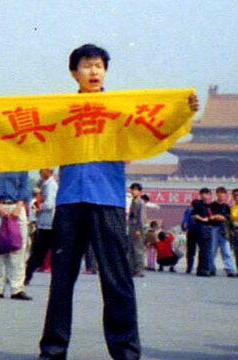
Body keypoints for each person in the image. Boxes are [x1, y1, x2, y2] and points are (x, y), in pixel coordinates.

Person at [28, 43, 198, 360]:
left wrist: (183, 110)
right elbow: (27, 128)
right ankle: (52, 350)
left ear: (105, 71)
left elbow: (154, 128)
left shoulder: (120, 110)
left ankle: (126, 352)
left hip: (107, 202)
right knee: (61, 282)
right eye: (86, 65)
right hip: (69, 202)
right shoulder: (61, 111)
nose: (93, 71)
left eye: (99, 65)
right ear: (73, 73)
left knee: (117, 280)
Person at [0, 160, 32, 300]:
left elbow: (24, 187)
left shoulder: (20, 162)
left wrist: (18, 207)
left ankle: (17, 288)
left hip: (17, 207)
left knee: (18, 248)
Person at [25, 168, 58, 285]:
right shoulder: (46, 184)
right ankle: (27, 274)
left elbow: (50, 204)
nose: (40, 173)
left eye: (42, 171)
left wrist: (39, 207)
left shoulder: (50, 185)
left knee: (39, 251)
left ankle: (26, 275)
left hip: (48, 223)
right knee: (40, 252)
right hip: (46, 223)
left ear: (48, 171)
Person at [209, 187, 237, 277]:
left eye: (223, 193)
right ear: (216, 194)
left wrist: (224, 217)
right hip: (214, 229)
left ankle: (230, 270)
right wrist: (215, 217)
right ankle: (211, 269)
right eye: (219, 193)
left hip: (224, 230)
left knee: (226, 251)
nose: (221, 195)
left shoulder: (227, 207)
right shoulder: (211, 205)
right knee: (212, 250)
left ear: (225, 195)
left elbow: (230, 218)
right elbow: (208, 216)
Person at [191, 188, 214, 277]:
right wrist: (203, 219)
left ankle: (203, 269)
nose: (206, 196)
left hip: (208, 228)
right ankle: (203, 270)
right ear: (201, 195)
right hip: (201, 228)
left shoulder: (208, 206)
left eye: (207, 194)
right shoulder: (198, 204)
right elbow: (194, 215)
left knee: (205, 250)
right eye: (204, 194)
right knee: (204, 249)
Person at [127, 183, 146, 277]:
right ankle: (132, 269)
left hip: (137, 228)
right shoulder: (133, 201)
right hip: (131, 227)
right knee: (131, 249)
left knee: (138, 249)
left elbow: (141, 218)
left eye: (135, 190)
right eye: (132, 189)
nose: (133, 191)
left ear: (139, 191)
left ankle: (139, 270)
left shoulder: (140, 202)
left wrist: (139, 229)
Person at [180, 204, 197, 274]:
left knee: (190, 250)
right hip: (201, 231)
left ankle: (189, 268)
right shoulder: (203, 207)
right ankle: (202, 267)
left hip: (191, 231)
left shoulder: (189, 209)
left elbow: (184, 220)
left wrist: (184, 228)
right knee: (203, 250)